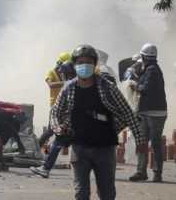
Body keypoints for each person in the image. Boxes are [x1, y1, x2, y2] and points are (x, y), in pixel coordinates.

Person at [51, 44, 147, 200]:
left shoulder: (107, 87)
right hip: (79, 148)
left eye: (88, 62)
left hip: (104, 148)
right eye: (80, 62)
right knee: (81, 193)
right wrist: (58, 128)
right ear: (74, 65)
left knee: (107, 193)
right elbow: (55, 112)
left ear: (94, 64)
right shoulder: (68, 88)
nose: (84, 66)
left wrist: (140, 140)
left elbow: (127, 112)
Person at [31, 52, 76, 178]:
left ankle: (44, 159)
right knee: (52, 133)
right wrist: (66, 82)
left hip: (66, 112)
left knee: (56, 135)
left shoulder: (72, 82)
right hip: (56, 107)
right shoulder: (53, 73)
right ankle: (40, 152)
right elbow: (50, 85)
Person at [129, 43, 168, 182]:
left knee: (155, 144)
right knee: (142, 142)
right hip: (146, 112)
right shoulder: (149, 70)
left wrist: (135, 85)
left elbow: (145, 88)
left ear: (145, 57)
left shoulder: (152, 70)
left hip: (155, 114)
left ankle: (156, 173)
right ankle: (141, 172)